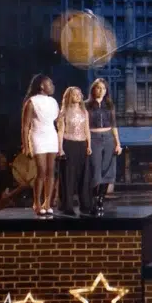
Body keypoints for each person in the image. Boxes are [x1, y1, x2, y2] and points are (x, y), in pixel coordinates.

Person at [21, 74, 59, 216]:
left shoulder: (53, 102)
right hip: (38, 136)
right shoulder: (31, 102)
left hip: (51, 135)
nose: (53, 86)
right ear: (42, 86)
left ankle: (47, 203)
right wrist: (26, 146)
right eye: (50, 83)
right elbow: (25, 126)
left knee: (51, 171)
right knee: (41, 171)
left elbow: (57, 120)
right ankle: (36, 202)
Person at [86, 78, 122, 217]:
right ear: (93, 89)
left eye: (103, 88)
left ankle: (101, 199)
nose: (101, 90)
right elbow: (84, 126)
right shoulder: (86, 105)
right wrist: (87, 143)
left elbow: (114, 124)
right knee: (95, 170)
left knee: (108, 170)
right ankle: (93, 199)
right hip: (93, 138)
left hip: (108, 138)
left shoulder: (109, 105)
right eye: (98, 88)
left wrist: (118, 143)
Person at [57, 87, 92, 216]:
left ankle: (85, 205)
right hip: (69, 144)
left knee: (84, 175)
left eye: (79, 94)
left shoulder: (84, 111)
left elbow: (87, 129)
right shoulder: (64, 112)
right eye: (75, 94)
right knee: (69, 176)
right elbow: (61, 131)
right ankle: (68, 206)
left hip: (82, 144)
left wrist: (89, 145)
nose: (78, 96)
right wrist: (60, 148)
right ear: (69, 96)